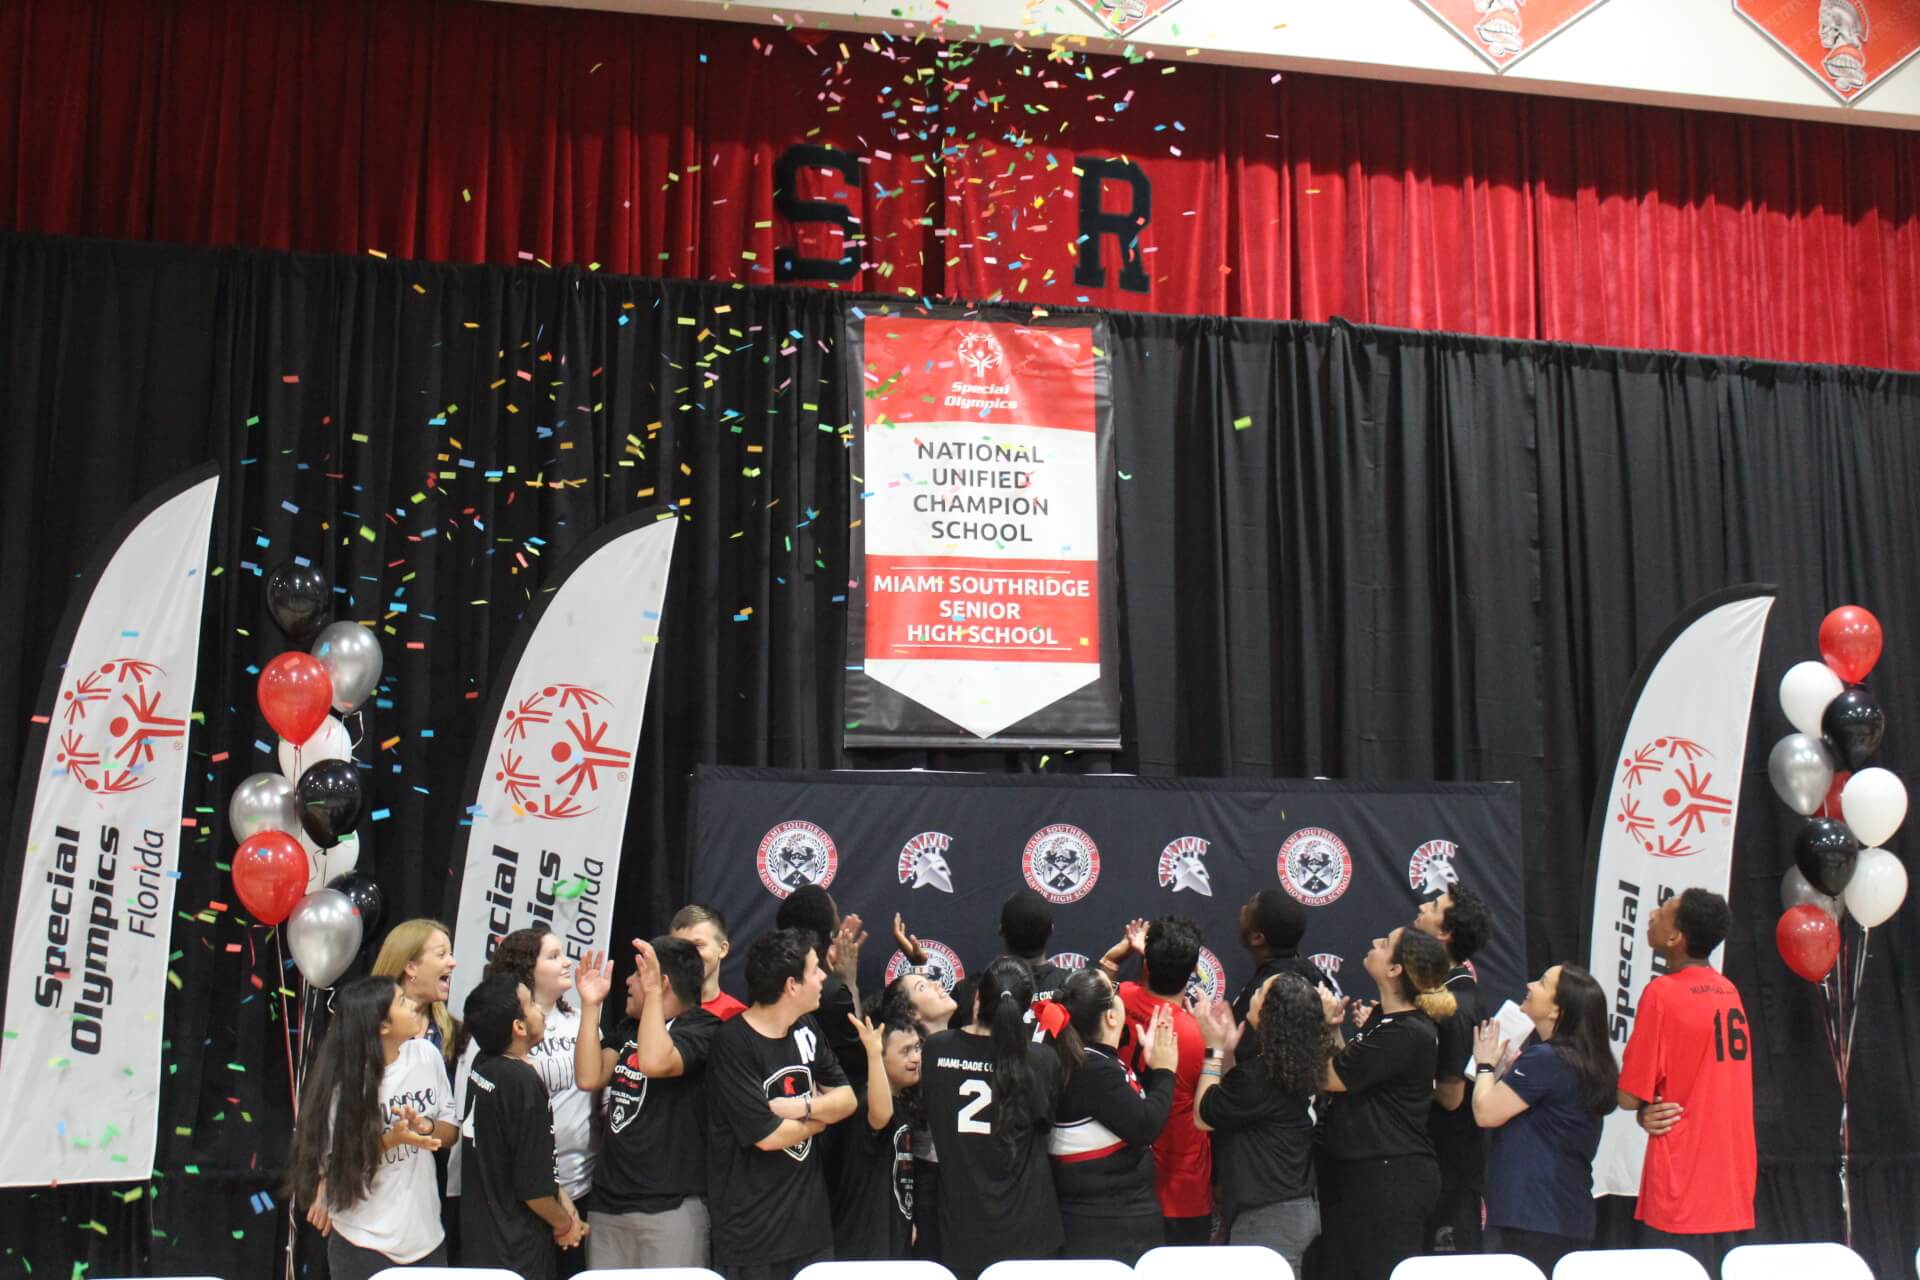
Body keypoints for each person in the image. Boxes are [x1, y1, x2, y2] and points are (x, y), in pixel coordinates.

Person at [706, 927, 858, 1280]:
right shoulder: (733, 1043)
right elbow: (768, 1136)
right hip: (752, 1237)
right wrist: (821, 1115)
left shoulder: (806, 1027)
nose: (823, 977)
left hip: (810, 1232)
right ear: (791, 986)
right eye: (814, 969)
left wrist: (799, 1109)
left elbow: (847, 1099)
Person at [1617, 889, 1755, 1273]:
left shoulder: (1662, 993)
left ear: (1676, 938)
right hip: (1730, 1179)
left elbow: (1629, 1095)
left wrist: (1642, 1109)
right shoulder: (1729, 991)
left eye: (1662, 911)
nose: (1651, 914)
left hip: (1683, 1177)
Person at [289, 976, 459, 1280]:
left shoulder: (426, 1056)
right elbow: (336, 1163)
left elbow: (451, 1131)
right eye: (403, 1002)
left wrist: (427, 1127)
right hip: (364, 1242)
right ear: (383, 1027)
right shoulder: (344, 1083)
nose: (413, 1006)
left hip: (427, 1238)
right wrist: (390, 1140)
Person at [573, 937, 720, 1269]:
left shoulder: (704, 1028)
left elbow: (656, 1061)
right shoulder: (627, 1029)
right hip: (609, 1202)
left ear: (661, 982)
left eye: (637, 975)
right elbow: (588, 1076)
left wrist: (652, 996)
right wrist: (590, 1005)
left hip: (670, 1207)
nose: (626, 981)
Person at [453, 928, 594, 1276]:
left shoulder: (485, 1064)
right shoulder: (522, 1083)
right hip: (517, 1247)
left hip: (487, 1236)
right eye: (531, 1005)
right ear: (518, 1026)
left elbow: (528, 1163)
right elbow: (533, 1190)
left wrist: (561, 1198)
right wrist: (565, 1224)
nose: (540, 1012)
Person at [1319, 927, 1456, 1280]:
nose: (1372, 944)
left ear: (1395, 969)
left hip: (1390, 1176)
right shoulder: (1387, 1021)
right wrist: (1335, 1033)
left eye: (1382, 944)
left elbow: (1330, 1078)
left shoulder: (1406, 1032)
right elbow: (1352, 1075)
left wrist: (1306, 1028)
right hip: (1367, 1170)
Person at [922, 955, 1067, 1280]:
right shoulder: (1042, 1060)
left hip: (962, 1234)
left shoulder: (934, 1049)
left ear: (976, 998)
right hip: (1030, 1236)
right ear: (1026, 1009)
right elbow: (1047, 1126)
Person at [1471, 964, 1617, 1274]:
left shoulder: (1546, 1059)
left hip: (1529, 1216)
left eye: (1542, 982)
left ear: (1557, 1011)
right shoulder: (1582, 1060)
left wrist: (1485, 1064)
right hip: (1565, 1214)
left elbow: (1485, 1113)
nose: (1529, 983)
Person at [1194, 974, 1330, 1278]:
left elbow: (1204, 1116)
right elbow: (1234, 1105)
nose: (1253, 995)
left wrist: (1213, 1049)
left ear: (1273, 1013)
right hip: (1293, 1205)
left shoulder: (1262, 1074)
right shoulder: (1296, 1065)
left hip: (1269, 1216)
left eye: (1260, 992)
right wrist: (1229, 1052)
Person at [1050, 968, 1177, 1264]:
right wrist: (1165, 1070)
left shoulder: (1091, 1059)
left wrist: (1147, 1065)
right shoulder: (1092, 1069)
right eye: (1116, 990)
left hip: (1112, 1220)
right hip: (1110, 1228)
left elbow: (1122, 1111)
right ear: (1109, 1017)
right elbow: (1145, 1126)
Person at [1099, 915, 1212, 1245]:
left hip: (1123, 1183)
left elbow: (1099, 987)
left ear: (1145, 959)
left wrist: (1114, 960)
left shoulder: (1117, 1003)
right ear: (1193, 972)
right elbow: (1214, 1110)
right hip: (1180, 1192)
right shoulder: (1197, 1037)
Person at [1412, 885, 1492, 1253]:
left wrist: (1401, 1079)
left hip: (1451, 1165)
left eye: (1432, 905)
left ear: (1444, 933)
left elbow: (1450, 1095)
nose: (1422, 907)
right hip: (1434, 1159)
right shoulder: (1440, 993)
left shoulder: (1456, 1004)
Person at [829, 1010, 923, 1260]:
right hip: (863, 1244)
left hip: (894, 1237)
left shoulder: (903, 1102)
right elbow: (881, 1116)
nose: (916, 1057)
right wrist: (873, 1054)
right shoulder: (865, 1101)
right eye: (905, 1051)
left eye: (917, 1047)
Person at [777, 884, 868, 1079]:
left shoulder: (768, 975)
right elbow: (862, 1060)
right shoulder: (832, 994)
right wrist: (849, 982)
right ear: (829, 936)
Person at [1230, 890, 1328, 1023]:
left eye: (1247, 910)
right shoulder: (1313, 975)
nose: (1242, 909)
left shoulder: (1262, 998)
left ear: (1257, 938)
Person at [372, 919, 459, 1066]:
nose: (453, 962)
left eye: (450, 954)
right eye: (441, 954)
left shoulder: (453, 1031)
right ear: (411, 967)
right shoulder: (369, 1026)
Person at [674, 903, 746, 1020]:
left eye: (698, 945)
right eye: (679, 946)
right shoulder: (654, 1009)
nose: (688, 954)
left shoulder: (739, 1018)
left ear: (722, 949)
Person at [879, 970, 958, 1036]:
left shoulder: (966, 1047)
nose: (937, 983)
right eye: (922, 987)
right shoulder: (917, 1055)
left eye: (929, 981)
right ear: (911, 1012)